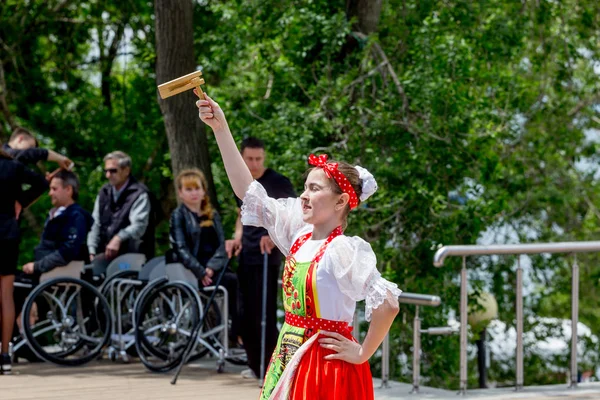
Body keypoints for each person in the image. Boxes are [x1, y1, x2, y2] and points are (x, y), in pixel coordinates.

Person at [196, 92, 401, 399]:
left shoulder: (342, 250)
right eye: (305, 187)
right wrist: (220, 129)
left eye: (314, 189)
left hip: (326, 365)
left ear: (341, 201)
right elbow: (247, 191)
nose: (303, 195)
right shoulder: (298, 233)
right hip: (289, 355)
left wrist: (362, 352)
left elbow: (388, 304)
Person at [226, 137, 296, 380]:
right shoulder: (243, 182)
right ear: (243, 158)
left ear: (264, 158)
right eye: (249, 159)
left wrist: (272, 236)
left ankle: (270, 365)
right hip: (246, 252)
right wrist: (236, 237)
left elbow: (290, 217)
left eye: (258, 159)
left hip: (267, 255)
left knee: (263, 313)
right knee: (244, 312)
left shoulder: (278, 182)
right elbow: (241, 213)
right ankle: (254, 363)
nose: (254, 164)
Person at [166, 169, 241, 345]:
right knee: (232, 282)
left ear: (203, 190)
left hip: (214, 270)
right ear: (180, 193)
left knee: (238, 281)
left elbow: (222, 246)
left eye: (197, 188)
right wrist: (200, 272)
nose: (194, 193)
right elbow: (180, 248)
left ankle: (236, 333)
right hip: (191, 272)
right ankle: (231, 335)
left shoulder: (212, 215)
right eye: (189, 189)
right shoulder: (178, 216)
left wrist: (211, 268)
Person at [0, 149, 48, 375]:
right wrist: (21, 201)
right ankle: (5, 355)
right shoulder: (13, 166)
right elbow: (41, 183)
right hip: (8, 234)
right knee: (6, 295)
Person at [87, 151, 155, 266]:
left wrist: (118, 238)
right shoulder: (104, 192)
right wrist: (91, 249)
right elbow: (95, 223)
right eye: (106, 171)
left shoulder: (140, 194)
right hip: (105, 257)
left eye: (113, 171)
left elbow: (139, 226)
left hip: (133, 259)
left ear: (126, 171)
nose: (108, 175)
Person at [21, 170, 93, 276]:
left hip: (62, 274)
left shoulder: (76, 216)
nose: (50, 193)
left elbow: (68, 251)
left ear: (68, 190)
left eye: (54, 189)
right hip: (46, 272)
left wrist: (37, 266)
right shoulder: (55, 214)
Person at [3, 127, 72, 169]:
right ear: (20, 139)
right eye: (30, 147)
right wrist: (60, 158)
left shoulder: (13, 164)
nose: (32, 151)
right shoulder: (4, 152)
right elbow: (28, 154)